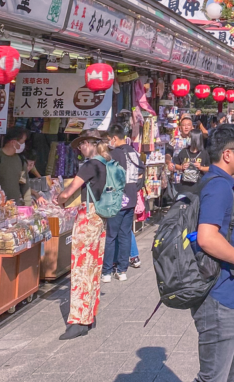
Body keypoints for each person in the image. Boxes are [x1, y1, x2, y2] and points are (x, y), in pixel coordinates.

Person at [192, 125, 234, 382]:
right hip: (217, 293)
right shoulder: (218, 186)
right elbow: (207, 237)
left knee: (231, 370)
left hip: (226, 291)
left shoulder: (217, 182)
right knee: (213, 376)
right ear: (228, 154)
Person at [55, 130, 109, 340]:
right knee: (94, 266)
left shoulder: (89, 165)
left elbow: (69, 192)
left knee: (80, 267)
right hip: (100, 217)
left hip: (87, 217)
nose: (80, 149)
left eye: (81, 145)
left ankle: (78, 320)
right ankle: (90, 314)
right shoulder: (105, 163)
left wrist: (59, 199)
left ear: (89, 143)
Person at [101, 120, 143, 282]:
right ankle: (122, 270)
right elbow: (141, 172)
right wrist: (134, 187)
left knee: (111, 235)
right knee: (125, 234)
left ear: (113, 138)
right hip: (131, 198)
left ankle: (106, 272)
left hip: (116, 199)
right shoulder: (133, 152)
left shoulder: (113, 155)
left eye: (108, 139)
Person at [0, 127, 35, 203]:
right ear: (13, 142)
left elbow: (24, 184)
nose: (23, 145)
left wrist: (28, 205)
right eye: (22, 142)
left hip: (14, 207)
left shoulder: (20, 160)